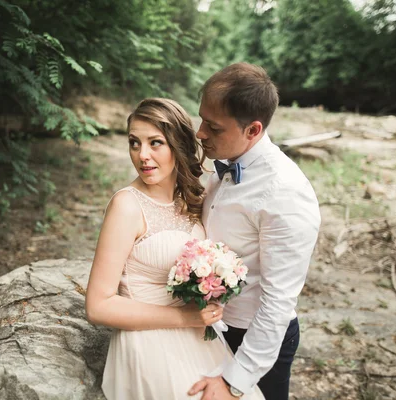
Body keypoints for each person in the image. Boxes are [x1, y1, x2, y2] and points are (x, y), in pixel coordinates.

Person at [85, 98, 264, 400]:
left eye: (155, 143)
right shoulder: (127, 206)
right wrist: (188, 318)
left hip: (200, 339)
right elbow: (98, 306)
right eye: (134, 143)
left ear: (178, 145)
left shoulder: (193, 199)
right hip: (148, 343)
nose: (142, 155)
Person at [188, 63, 321, 399]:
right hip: (212, 326)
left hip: (255, 341)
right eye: (201, 119)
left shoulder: (286, 193)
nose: (200, 132)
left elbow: (278, 302)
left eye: (213, 127)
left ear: (253, 129)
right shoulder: (226, 162)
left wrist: (234, 381)